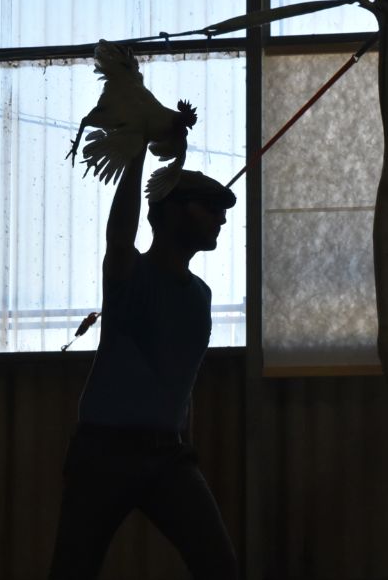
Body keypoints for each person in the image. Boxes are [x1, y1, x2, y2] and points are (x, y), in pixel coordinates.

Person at [48, 142, 239, 580]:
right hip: (103, 453)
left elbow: (180, 382)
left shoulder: (200, 297)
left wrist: (182, 440)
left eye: (221, 209)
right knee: (72, 571)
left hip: (168, 456)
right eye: (209, 207)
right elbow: (119, 233)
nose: (222, 217)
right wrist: (135, 155)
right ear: (170, 212)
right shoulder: (128, 272)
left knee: (220, 568)